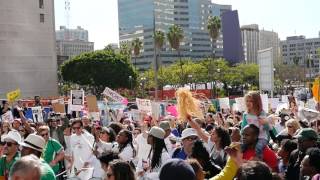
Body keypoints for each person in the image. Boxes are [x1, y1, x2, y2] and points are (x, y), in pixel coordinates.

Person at [241, 91, 271, 160]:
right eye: (247, 101)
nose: (248, 103)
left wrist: (264, 123)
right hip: (250, 136)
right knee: (242, 146)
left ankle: (259, 160)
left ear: (257, 102)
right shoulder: (246, 114)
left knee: (258, 147)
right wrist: (242, 136)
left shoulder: (261, 113)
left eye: (251, 101)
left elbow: (267, 128)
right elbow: (243, 127)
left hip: (262, 136)